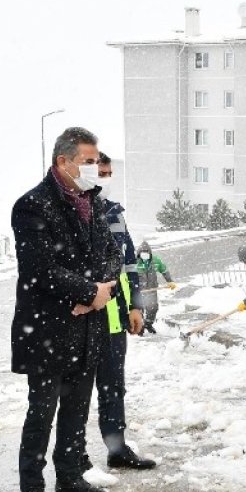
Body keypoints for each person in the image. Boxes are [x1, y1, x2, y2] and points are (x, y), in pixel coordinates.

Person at [11, 127, 121, 492]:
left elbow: (111, 252)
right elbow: (39, 269)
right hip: (47, 328)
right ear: (64, 161)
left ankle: (70, 475)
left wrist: (99, 290)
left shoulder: (92, 201)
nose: (94, 168)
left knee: (77, 406)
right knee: (42, 410)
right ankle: (32, 487)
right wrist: (86, 292)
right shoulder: (32, 205)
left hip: (87, 324)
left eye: (95, 161)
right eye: (88, 161)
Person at [93, 152, 156, 470]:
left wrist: (136, 307)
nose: (105, 180)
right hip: (83, 316)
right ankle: (73, 456)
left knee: (112, 386)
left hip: (115, 317)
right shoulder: (69, 210)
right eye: (99, 173)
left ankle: (116, 449)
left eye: (108, 174)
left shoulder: (115, 213)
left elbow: (130, 265)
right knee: (73, 391)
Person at [135, 241, 176, 335]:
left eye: (146, 253)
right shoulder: (134, 263)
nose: (145, 255)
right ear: (139, 254)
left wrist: (170, 281)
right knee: (139, 309)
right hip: (139, 291)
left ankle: (148, 324)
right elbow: (128, 276)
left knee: (153, 308)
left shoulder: (156, 261)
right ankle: (139, 327)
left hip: (152, 289)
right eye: (142, 253)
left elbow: (164, 270)